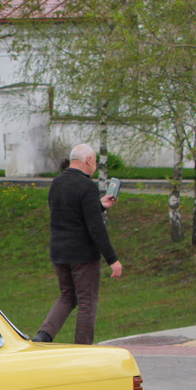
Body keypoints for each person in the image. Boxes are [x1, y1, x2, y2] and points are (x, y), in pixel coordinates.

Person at [31, 143, 123, 345]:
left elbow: (70, 214)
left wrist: (99, 205)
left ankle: (44, 335)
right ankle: (83, 348)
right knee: (87, 302)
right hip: (83, 256)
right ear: (88, 160)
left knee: (67, 295)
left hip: (59, 252)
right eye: (95, 161)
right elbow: (95, 228)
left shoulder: (57, 183)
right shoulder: (87, 186)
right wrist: (113, 260)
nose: (96, 166)